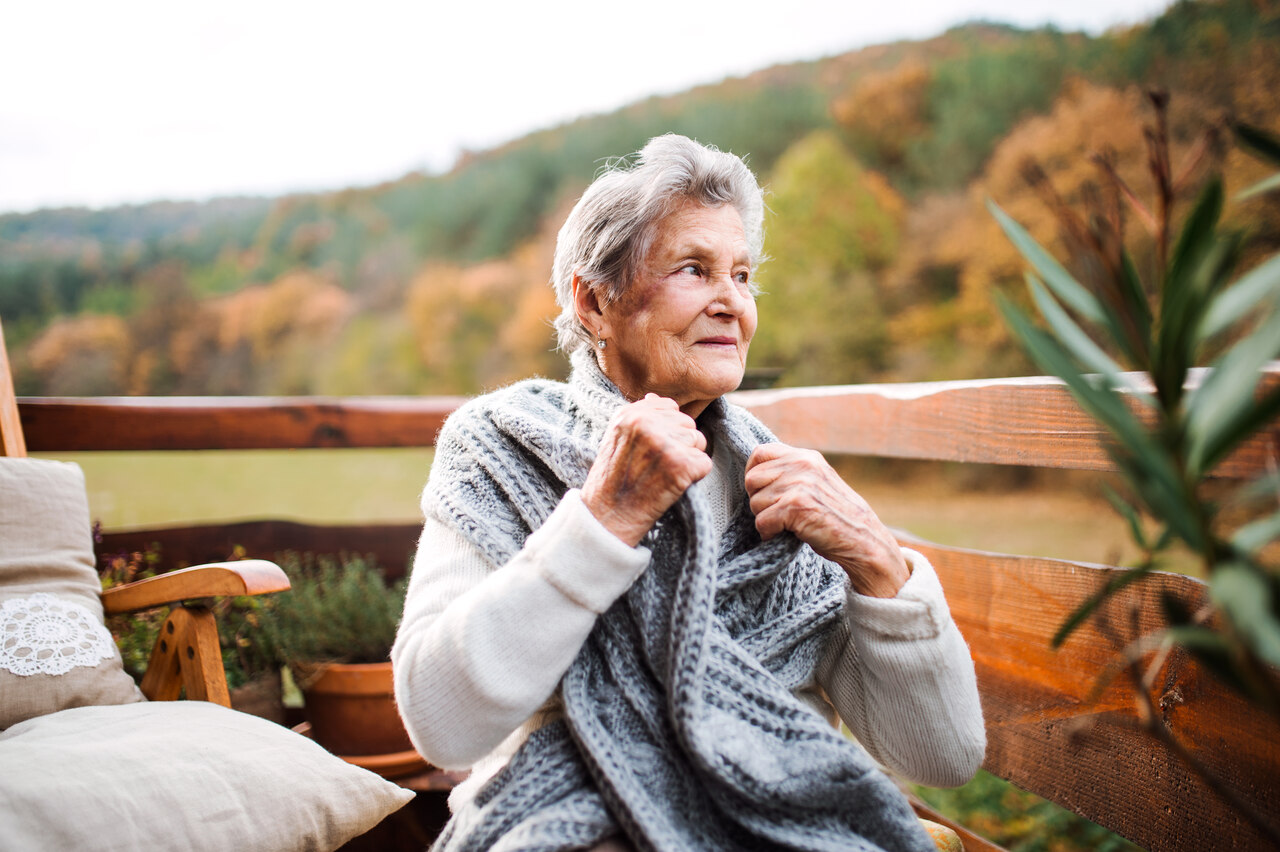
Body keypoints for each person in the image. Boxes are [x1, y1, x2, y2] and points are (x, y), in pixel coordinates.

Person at [392, 134, 986, 852]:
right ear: (593, 301)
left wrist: (878, 561)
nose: (731, 303)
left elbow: (945, 756)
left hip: (781, 829)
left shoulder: (779, 488)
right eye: (694, 269)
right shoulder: (502, 446)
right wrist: (604, 517)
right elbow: (439, 719)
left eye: (742, 275)